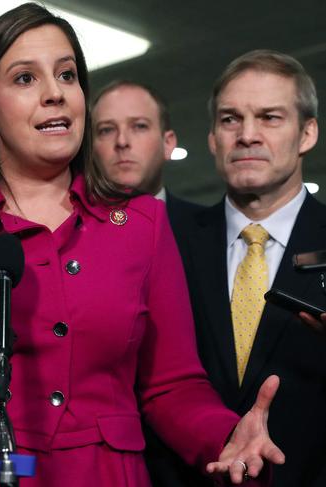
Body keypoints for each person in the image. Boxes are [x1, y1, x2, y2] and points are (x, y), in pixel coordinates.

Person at [0, 5, 285, 486]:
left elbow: (172, 386)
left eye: (67, 74)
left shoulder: (143, 225)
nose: (55, 93)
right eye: (24, 79)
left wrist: (226, 435)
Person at [151, 50, 326, 486]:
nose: (247, 135)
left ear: (307, 133)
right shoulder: (163, 244)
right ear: (212, 138)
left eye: (269, 117)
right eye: (230, 119)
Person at [91, 80, 204, 245]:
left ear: (167, 143)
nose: (122, 141)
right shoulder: (70, 235)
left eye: (139, 126)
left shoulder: (212, 233)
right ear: (91, 148)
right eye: (106, 130)